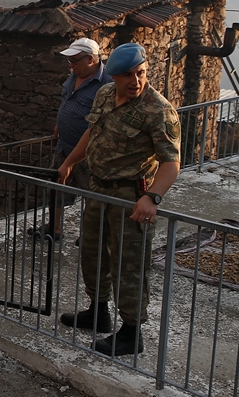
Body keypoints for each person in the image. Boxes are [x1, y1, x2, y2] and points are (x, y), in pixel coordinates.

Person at [58, 43, 181, 356]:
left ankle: (131, 332)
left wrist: (152, 196)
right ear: (113, 75)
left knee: (129, 263)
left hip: (131, 196)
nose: (135, 81)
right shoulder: (103, 95)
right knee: (93, 251)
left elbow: (171, 162)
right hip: (98, 189)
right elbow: (92, 133)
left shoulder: (158, 109)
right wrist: (70, 161)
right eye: (127, 75)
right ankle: (98, 312)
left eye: (140, 73)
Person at [45, 38, 112, 240]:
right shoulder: (75, 75)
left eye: (74, 61)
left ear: (90, 59)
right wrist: (60, 122)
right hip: (64, 145)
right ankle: (54, 228)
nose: (71, 65)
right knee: (56, 186)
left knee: (92, 195)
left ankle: (91, 236)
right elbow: (68, 99)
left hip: (88, 152)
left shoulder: (107, 84)